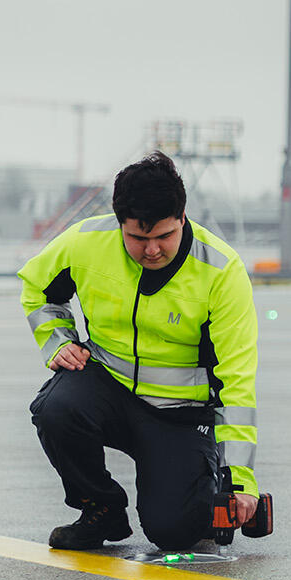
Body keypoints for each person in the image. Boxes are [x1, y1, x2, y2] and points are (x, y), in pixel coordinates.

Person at [19, 151, 259, 551]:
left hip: (180, 414)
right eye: (138, 238)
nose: (152, 250)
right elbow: (36, 289)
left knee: (174, 533)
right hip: (108, 389)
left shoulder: (221, 272)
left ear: (183, 218)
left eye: (164, 236)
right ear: (120, 225)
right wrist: (58, 341)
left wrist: (241, 478)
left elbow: (237, 382)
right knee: (55, 408)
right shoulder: (85, 243)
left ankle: (205, 480)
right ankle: (100, 509)